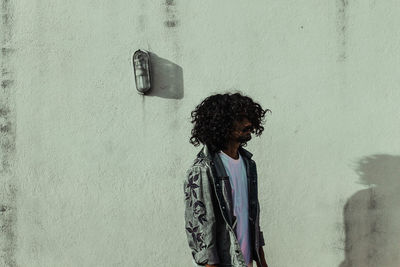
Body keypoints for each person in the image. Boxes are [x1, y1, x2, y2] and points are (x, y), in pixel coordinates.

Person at [183, 92, 270, 267]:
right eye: (239, 119)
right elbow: (201, 234)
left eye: (248, 117)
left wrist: (262, 262)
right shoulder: (203, 169)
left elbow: (251, 220)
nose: (248, 123)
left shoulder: (248, 165)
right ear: (220, 124)